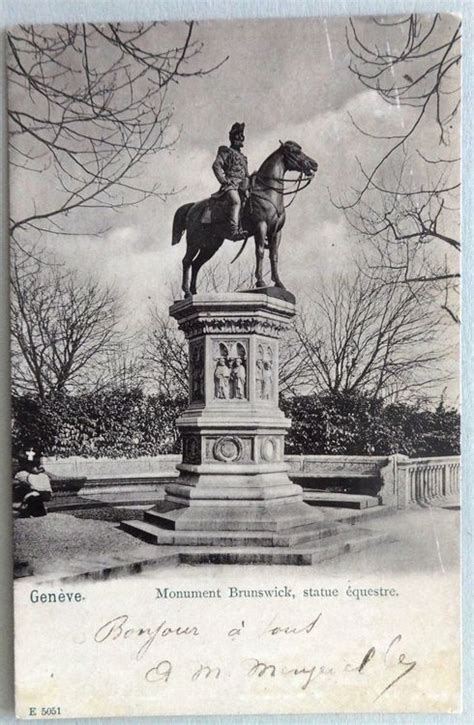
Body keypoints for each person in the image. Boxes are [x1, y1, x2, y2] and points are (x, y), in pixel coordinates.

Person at [212, 122, 249, 241]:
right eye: (237, 137)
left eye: (241, 137)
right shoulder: (225, 151)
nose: (240, 139)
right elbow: (216, 166)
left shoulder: (243, 158)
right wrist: (223, 180)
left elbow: (246, 174)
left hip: (243, 185)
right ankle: (233, 230)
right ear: (232, 139)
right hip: (231, 185)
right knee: (236, 201)